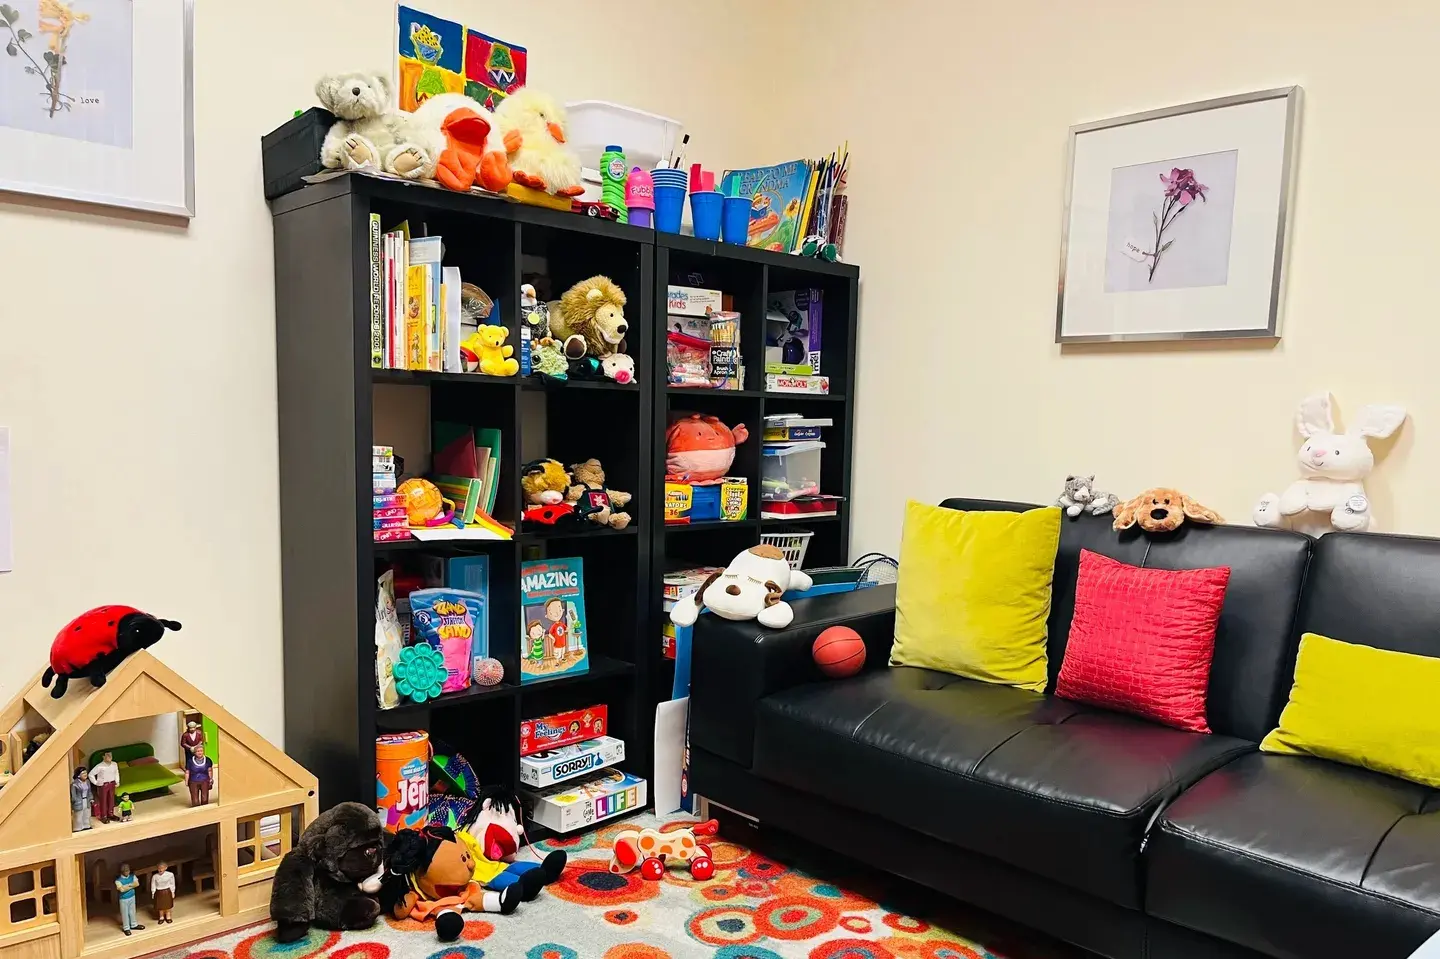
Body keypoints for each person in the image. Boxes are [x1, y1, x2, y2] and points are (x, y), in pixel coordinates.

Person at [89, 751, 120, 823]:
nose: (109, 757)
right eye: (107, 755)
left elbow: (116, 773)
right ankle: (103, 816)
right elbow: (91, 774)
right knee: (103, 801)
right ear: (103, 757)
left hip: (112, 783)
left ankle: (111, 814)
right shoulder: (99, 766)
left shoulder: (114, 764)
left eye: (110, 755)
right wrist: (96, 782)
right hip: (103, 785)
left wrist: (117, 781)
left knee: (111, 799)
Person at [114, 865, 143, 935]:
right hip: (124, 899)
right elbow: (121, 889)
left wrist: (126, 886)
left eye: (128, 870)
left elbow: (137, 884)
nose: (127, 872)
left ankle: (133, 924)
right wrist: (131, 885)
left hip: (132, 896)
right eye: (126, 871)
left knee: (132, 911)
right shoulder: (118, 880)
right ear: (122, 872)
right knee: (125, 913)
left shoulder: (132, 876)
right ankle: (126, 928)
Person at [70, 766, 92, 832]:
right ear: (78, 775)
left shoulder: (87, 782)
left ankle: (86, 825)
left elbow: (89, 792)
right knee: (78, 816)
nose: (85, 774)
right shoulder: (74, 785)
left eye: (86, 772)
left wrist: (91, 798)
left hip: (86, 801)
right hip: (79, 802)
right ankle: (78, 828)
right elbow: (73, 795)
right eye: (83, 773)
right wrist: (74, 802)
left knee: (87, 814)